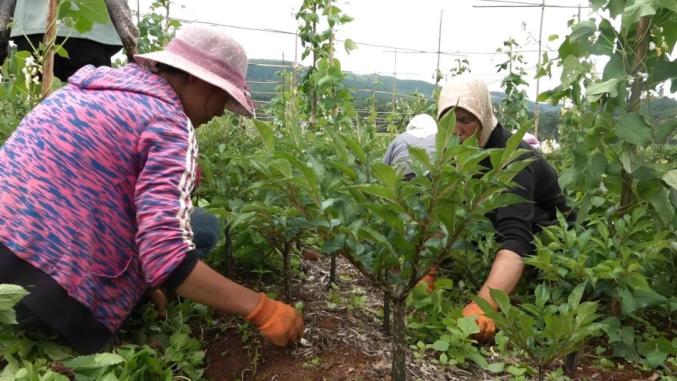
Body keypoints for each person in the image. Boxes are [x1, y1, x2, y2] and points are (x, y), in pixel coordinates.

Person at [0, 25, 303, 354]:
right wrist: (260, 308)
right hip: (51, 301)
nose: (219, 112)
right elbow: (166, 253)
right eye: (222, 96)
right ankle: (83, 317)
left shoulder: (83, 89)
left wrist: (146, 283)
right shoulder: (168, 123)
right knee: (202, 228)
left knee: (196, 223)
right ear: (196, 79)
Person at [436, 75, 575, 341]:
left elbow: (516, 237)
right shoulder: (459, 151)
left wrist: (483, 305)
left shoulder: (512, 159)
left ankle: (521, 285)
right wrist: (428, 269)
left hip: (548, 242)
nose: (455, 129)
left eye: (465, 120)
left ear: (484, 117)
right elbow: (442, 211)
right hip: (496, 235)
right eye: (448, 120)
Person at [0, 0, 139, 81]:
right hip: (89, 37)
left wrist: (2, 40)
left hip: (33, 31)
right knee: (91, 107)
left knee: (34, 106)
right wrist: (131, 47)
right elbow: (116, 3)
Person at [383, 113, 438, 178]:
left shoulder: (399, 138)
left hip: (402, 177)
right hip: (433, 177)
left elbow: (385, 167)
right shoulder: (439, 139)